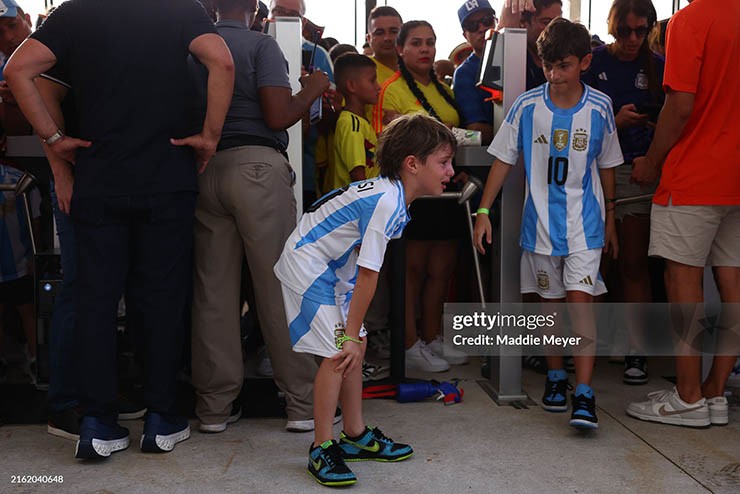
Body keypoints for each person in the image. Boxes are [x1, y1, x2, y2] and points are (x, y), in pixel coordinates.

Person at [4, 0, 235, 459]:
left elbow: (18, 70)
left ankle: (98, 423)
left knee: (95, 302)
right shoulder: (178, 9)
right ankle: (160, 417)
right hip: (166, 177)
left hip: (98, 179)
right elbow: (222, 61)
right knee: (162, 301)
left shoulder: (75, 12)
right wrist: (210, 136)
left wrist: (53, 138)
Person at [274, 113, 456, 486]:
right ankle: (322, 447)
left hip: (332, 269)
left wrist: (356, 333)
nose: (451, 171)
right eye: (443, 162)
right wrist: (350, 334)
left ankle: (354, 435)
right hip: (309, 267)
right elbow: (371, 274)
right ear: (412, 164)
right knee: (339, 353)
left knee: (355, 344)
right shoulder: (386, 202)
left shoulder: (391, 193)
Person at [188, 0, 330, 435]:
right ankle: (303, 403)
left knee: (214, 293)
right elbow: (278, 114)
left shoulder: (193, 46)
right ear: (256, 7)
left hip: (204, 169)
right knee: (278, 286)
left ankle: (213, 408)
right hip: (256, 167)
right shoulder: (260, 46)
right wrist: (314, 87)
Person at [473, 18, 622, 430]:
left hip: (585, 228)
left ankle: (585, 393)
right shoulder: (526, 106)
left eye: (564, 66)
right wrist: (483, 211)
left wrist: (610, 218)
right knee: (550, 311)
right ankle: (556, 378)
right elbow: (503, 159)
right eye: (548, 66)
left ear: (585, 63)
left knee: (581, 308)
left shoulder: (600, 107)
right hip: (538, 228)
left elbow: (607, 165)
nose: (555, 75)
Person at [627, 0, 740, 428]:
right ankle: (713, 391)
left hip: (695, 173)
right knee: (734, 287)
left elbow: (681, 105)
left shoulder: (693, 19)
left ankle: (688, 397)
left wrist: (651, 162)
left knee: (683, 284)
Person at [374, 20, 469, 372]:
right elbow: (394, 143)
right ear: (401, 49)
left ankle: (432, 338)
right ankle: (410, 342)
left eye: (430, 42)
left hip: (445, 189)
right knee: (410, 270)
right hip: (412, 192)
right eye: (416, 43)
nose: (425, 49)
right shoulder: (392, 89)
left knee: (441, 269)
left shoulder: (445, 88)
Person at [583, 0, 664, 386]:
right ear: (611, 27)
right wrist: (613, 121)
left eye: (641, 30)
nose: (633, 39)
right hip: (591, 170)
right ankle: (585, 345)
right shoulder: (591, 62)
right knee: (590, 264)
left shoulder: (658, 65)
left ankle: (637, 348)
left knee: (632, 261)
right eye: (625, 31)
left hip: (638, 169)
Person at [326, 53, 380, 189]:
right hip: (357, 205)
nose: (378, 86)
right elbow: (357, 174)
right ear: (351, 86)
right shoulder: (351, 124)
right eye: (372, 80)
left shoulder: (359, 120)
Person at [453, 0, 498, 144]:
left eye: (487, 21)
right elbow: (477, 131)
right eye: (473, 26)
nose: (482, 28)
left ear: (495, 22)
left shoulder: (519, 56)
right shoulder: (464, 74)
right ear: (465, 35)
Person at [498, 0, 562, 91]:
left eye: (559, 22)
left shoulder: (575, 55)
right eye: (546, 22)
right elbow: (506, 29)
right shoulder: (512, 56)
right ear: (523, 23)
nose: (554, 30)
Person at [366, 6, 403, 85]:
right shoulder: (360, 72)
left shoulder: (417, 71)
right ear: (369, 39)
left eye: (393, 32)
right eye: (379, 33)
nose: (387, 38)